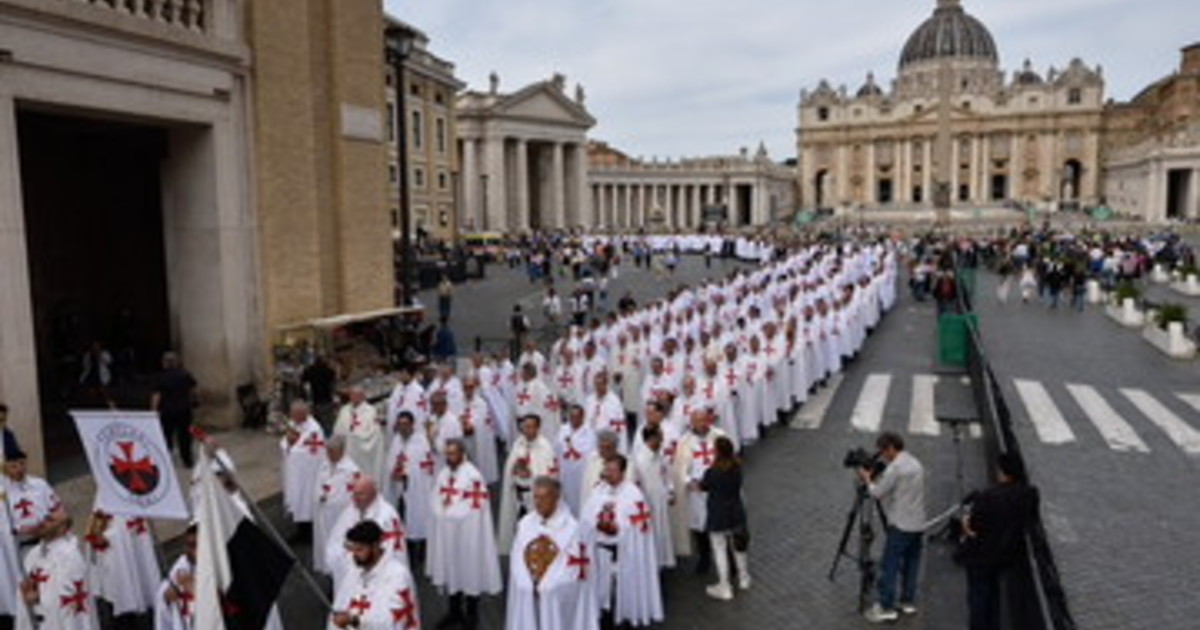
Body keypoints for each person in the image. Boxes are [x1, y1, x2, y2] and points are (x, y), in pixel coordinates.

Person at [579, 455, 663, 629]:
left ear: (623, 472)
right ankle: (603, 618)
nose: (607, 474)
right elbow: (586, 518)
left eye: (612, 470)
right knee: (601, 592)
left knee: (620, 592)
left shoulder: (633, 495)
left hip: (624, 553)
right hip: (599, 552)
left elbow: (638, 528)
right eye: (606, 469)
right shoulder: (598, 490)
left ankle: (625, 616)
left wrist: (616, 530)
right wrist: (597, 524)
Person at [426, 439, 502, 630]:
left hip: (468, 533)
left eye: (453, 454)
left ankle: (472, 613)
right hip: (447, 532)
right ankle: (453, 611)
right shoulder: (443, 473)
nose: (449, 458)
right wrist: (439, 510)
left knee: (468, 570)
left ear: (462, 454)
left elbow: (476, 506)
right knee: (451, 568)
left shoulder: (473, 476)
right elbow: (435, 496)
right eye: (447, 454)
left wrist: (449, 513)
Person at [505, 477, 599, 630]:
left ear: (557, 498)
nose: (538, 502)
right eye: (536, 497)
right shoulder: (526, 524)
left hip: (557, 592)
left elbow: (574, 567)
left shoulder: (572, 529)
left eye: (544, 497)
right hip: (529, 587)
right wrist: (526, 582)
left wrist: (547, 586)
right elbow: (517, 558)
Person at [960, 453, 1041, 630]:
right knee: (994, 592)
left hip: (981, 555)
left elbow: (973, 528)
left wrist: (965, 520)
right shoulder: (1029, 493)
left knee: (979, 597)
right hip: (1007, 554)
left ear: (1003, 471)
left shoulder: (988, 496)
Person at [859, 432, 926, 623]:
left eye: (883, 451)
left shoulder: (895, 469)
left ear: (890, 448)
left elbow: (877, 493)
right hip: (917, 523)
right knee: (911, 564)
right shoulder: (915, 463)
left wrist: (867, 479)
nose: (882, 456)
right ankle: (907, 601)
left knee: (890, 566)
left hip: (900, 525)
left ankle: (886, 606)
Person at [327, 521, 420, 630]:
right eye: (353, 549)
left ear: (375, 546)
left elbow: (392, 620)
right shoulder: (354, 570)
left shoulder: (397, 575)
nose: (355, 555)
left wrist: (355, 620)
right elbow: (340, 605)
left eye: (360, 549)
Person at [325, 477, 409, 593]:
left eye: (360, 495)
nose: (355, 499)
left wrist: (355, 550)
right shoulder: (351, 510)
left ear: (373, 495)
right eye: (354, 494)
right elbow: (337, 538)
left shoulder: (387, 516)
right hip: (350, 566)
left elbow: (386, 551)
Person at [16, 513, 98, 630]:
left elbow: (64, 602)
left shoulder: (70, 556)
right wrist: (29, 601)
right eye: (43, 517)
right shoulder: (32, 555)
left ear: (63, 528)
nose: (42, 522)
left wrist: (38, 599)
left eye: (49, 520)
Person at [84, 507, 160, 621]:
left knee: (144, 572)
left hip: (134, 536)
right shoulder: (102, 504)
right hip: (118, 551)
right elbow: (97, 534)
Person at [497, 415, 559, 552]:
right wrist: (515, 470)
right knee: (521, 530)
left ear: (538, 428)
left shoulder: (545, 447)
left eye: (531, 427)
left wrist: (531, 473)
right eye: (525, 427)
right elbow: (509, 468)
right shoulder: (518, 444)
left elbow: (548, 476)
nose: (527, 430)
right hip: (519, 496)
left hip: (535, 498)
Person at [698, 436, 749, 600]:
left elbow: (703, 486)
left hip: (718, 515)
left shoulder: (712, 472)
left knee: (719, 550)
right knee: (739, 547)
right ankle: (743, 578)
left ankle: (724, 586)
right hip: (736, 512)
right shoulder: (737, 468)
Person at [385, 411, 435, 559]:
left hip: (417, 488)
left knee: (419, 517)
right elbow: (390, 462)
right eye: (400, 424)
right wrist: (393, 471)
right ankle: (409, 552)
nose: (403, 428)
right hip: (400, 489)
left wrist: (408, 473)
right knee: (404, 520)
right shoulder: (396, 441)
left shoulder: (421, 442)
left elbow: (425, 466)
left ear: (412, 424)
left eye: (406, 424)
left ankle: (423, 551)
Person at [313, 436, 362, 574]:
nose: (329, 455)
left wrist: (331, 499)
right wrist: (319, 495)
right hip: (324, 514)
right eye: (328, 451)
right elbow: (318, 484)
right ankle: (327, 570)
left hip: (339, 515)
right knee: (325, 542)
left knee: (339, 545)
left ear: (341, 451)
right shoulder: (324, 465)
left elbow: (353, 494)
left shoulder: (351, 470)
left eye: (332, 452)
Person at [280, 400, 326, 542]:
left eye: (295, 415)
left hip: (308, 473)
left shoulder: (314, 429)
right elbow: (284, 442)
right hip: (296, 472)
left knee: (306, 500)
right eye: (291, 415)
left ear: (303, 414)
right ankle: (300, 528)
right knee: (297, 498)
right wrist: (288, 442)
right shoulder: (295, 424)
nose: (292, 418)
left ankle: (309, 532)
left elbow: (314, 451)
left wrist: (293, 445)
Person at [633, 425, 675, 570]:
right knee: (653, 534)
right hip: (649, 503)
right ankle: (653, 564)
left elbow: (666, 474)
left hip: (661, 501)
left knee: (662, 533)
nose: (663, 440)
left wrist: (670, 491)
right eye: (660, 437)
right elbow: (635, 484)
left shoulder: (660, 455)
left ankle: (662, 562)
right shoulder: (639, 460)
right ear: (651, 438)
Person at [150, 351, 197, 468]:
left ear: (165, 363)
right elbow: (193, 389)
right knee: (184, 436)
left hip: (167, 411)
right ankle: (187, 460)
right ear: (176, 362)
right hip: (184, 410)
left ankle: (166, 459)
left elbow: (157, 395)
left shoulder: (161, 377)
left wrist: (153, 411)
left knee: (167, 435)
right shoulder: (185, 374)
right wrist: (192, 402)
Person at [333, 386, 388, 485]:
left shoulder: (370, 411)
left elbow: (374, 433)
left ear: (363, 396)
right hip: (346, 451)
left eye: (357, 395)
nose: (354, 398)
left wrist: (354, 437)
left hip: (362, 454)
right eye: (352, 395)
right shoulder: (344, 410)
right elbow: (337, 431)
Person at [154, 524, 197, 630]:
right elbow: (166, 588)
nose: (188, 549)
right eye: (187, 545)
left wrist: (194, 588)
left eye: (194, 545)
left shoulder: (216, 561)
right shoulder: (184, 562)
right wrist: (166, 595)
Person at [302, 355, 338, 432]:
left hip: (315, 399)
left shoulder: (310, 370)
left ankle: (319, 436)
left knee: (317, 420)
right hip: (327, 398)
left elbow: (303, 382)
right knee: (328, 421)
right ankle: (328, 437)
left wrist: (307, 398)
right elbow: (334, 382)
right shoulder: (328, 370)